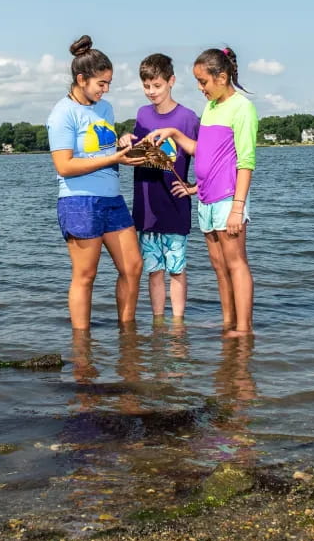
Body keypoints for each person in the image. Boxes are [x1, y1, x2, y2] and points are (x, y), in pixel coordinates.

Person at [146, 46, 258, 337]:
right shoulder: (211, 108)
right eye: (197, 82)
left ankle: (244, 329)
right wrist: (173, 133)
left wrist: (237, 207)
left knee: (236, 264)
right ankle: (228, 323)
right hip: (206, 200)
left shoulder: (242, 108)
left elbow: (245, 162)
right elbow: (203, 151)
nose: (200, 88)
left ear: (222, 77)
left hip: (228, 201)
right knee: (220, 269)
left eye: (203, 82)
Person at [46, 35, 144, 332]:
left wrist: (123, 143)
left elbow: (105, 147)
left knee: (133, 267)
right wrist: (116, 159)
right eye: (101, 83)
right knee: (85, 275)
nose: (105, 90)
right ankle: (82, 344)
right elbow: (64, 166)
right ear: (81, 79)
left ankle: (128, 336)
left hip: (112, 199)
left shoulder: (106, 109)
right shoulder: (62, 114)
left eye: (108, 84)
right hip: (79, 201)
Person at [121, 53, 200, 325]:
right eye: (146, 86)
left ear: (171, 81)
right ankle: (157, 323)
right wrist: (124, 142)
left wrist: (194, 189)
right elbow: (134, 153)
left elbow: (208, 157)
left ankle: (177, 325)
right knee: (153, 271)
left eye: (157, 86)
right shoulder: (142, 114)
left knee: (177, 270)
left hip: (176, 205)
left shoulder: (188, 118)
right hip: (146, 205)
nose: (151, 92)